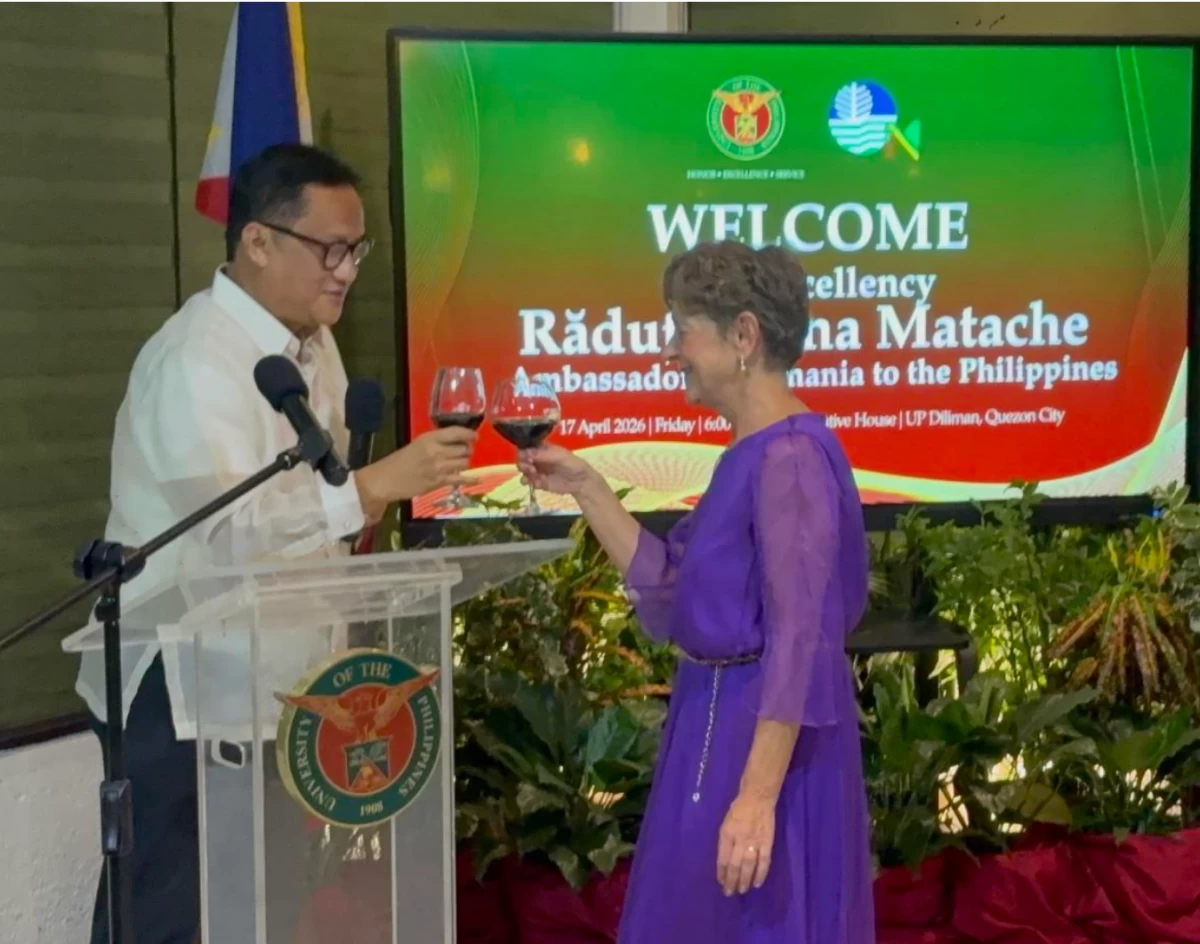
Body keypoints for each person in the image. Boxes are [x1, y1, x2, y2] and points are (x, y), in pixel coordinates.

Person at [76, 143, 476, 944]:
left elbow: (314, 505)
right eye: (330, 249)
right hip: (186, 689)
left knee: (264, 913)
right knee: (171, 915)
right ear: (258, 241)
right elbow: (230, 534)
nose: (346, 272)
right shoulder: (195, 360)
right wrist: (373, 486)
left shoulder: (311, 344)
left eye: (356, 251)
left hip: (283, 686)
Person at [518, 241, 874, 943]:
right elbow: (672, 587)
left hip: (763, 746)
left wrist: (757, 798)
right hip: (712, 725)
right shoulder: (754, 450)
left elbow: (800, 640)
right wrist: (586, 486)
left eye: (682, 329)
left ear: (744, 335)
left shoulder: (789, 457)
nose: (669, 350)